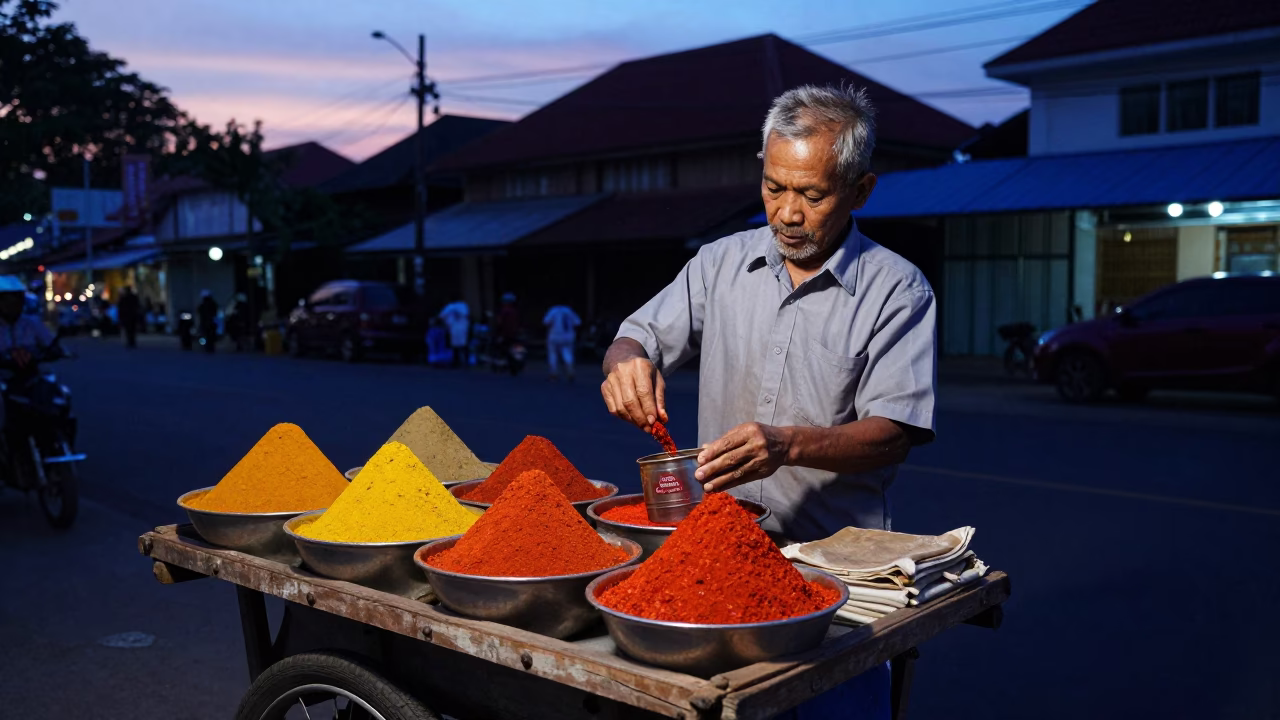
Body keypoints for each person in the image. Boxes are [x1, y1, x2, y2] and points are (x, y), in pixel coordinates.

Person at [601, 85, 936, 718]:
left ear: (861, 191)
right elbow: (636, 334)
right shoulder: (718, 264)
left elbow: (895, 431)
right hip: (714, 555)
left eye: (812, 195)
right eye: (773, 187)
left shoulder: (898, 290)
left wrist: (788, 444)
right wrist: (626, 361)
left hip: (835, 570)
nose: (787, 214)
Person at [0, 276, 53, 372]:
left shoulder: (32, 322)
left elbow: (49, 344)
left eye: (18, 299)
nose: (13, 304)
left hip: (31, 373)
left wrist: (31, 353)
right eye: (7, 300)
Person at [543, 304, 582, 382]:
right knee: (567, 353)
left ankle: (554, 373)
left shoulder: (553, 310)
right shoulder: (569, 310)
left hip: (555, 335)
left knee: (553, 354)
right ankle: (570, 370)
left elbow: (546, 322)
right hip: (568, 336)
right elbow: (577, 322)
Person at [438, 299, 470, 368]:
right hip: (454, 329)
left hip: (461, 329)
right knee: (455, 346)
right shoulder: (450, 306)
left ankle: (465, 362)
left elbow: (465, 314)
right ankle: (456, 362)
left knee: (463, 345)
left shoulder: (462, 306)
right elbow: (442, 315)